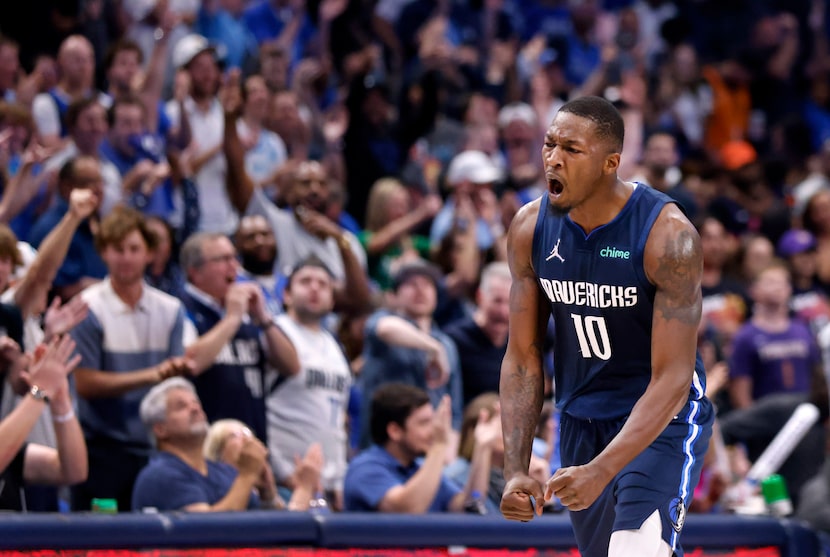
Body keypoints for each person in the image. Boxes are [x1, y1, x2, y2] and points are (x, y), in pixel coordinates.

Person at [499, 96, 714, 557]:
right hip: (581, 420)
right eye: (550, 144)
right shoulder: (529, 228)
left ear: (609, 163)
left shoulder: (667, 237)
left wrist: (603, 468)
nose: (553, 158)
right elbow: (522, 358)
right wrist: (515, 467)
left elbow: (674, 379)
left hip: (661, 420)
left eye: (572, 150)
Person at [70, 206, 195, 511]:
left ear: (150, 253)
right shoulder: (88, 308)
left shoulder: (170, 309)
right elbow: (84, 382)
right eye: (117, 250)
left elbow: (174, 380)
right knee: (102, 540)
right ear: (103, 254)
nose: (126, 257)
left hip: (157, 449)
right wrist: (152, 375)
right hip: (102, 451)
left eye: (134, 249)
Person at [265, 257, 352, 510]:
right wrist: (282, 472)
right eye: (305, 282)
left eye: (323, 284)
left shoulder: (333, 345)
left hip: (328, 483)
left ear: (332, 300)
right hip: (286, 477)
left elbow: (337, 419)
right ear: (287, 295)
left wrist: (338, 478)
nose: (315, 288)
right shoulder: (277, 332)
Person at [343, 383, 490, 513]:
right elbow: (407, 511)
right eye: (424, 423)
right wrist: (439, 445)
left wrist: (483, 448)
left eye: (433, 420)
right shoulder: (365, 468)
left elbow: (466, 506)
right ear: (395, 431)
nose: (434, 430)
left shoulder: (419, 468)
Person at [132, 377, 269, 512]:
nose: (195, 408)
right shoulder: (161, 474)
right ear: (160, 429)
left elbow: (269, 524)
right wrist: (247, 476)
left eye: (196, 402)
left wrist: (268, 495)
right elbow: (208, 530)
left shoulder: (226, 472)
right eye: (181, 406)